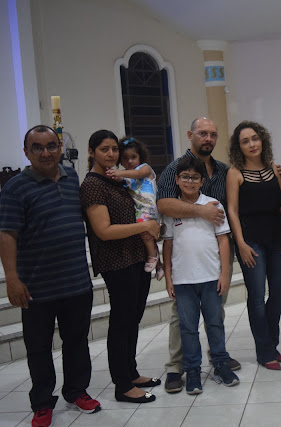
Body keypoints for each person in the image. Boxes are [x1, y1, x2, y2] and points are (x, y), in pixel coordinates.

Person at [0, 126, 101, 427]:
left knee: (77, 341)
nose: (46, 153)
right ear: (26, 152)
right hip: (37, 286)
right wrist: (12, 279)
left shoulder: (72, 178)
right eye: (37, 147)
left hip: (76, 281)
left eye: (51, 146)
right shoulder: (15, 188)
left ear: (60, 148)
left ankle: (76, 391)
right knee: (39, 347)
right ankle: (43, 402)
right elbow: (7, 235)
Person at [156, 117, 242, 393]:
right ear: (190, 134)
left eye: (213, 134)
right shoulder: (174, 169)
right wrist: (201, 211)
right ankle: (177, 366)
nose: (208, 138)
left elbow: (229, 207)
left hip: (213, 258)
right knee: (183, 320)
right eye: (203, 133)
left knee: (216, 315)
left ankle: (218, 359)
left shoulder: (223, 169)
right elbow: (164, 204)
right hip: (184, 266)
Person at [80, 130, 161, 403]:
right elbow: (103, 231)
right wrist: (145, 227)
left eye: (114, 149)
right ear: (91, 152)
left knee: (133, 319)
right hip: (116, 260)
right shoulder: (93, 185)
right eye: (104, 149)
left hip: (136, 256)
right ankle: (122, 384)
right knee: (121, 321)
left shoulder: (115, 179)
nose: (111, 154)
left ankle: (131, 372)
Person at [226, 121, 281, 370]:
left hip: (278, 239)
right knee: (256, 297)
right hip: (251, 241)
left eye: (255, 138)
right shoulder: (235, 173)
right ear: (239, 147)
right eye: (245, 141)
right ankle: (265, 351)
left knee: (280, 292)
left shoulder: (274, 169)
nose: (252, 144)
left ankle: (271, 344)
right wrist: (240, 243)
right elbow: (232, 211)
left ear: (262, 140)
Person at [106, 137, 163, 279]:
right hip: (139, 208)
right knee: (148, 236)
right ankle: (159, 265)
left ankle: (152, 256)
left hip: (148, 206)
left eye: (133, 157)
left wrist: (119, 172)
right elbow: (120, 179)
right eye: (125, 158)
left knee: (144, 232)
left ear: (140, 157)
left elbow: (138, 174)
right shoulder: (127, 176)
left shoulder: (144, 168)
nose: (130, 161)